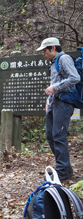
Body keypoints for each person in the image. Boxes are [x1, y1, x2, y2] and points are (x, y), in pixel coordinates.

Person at [36, 37, 80, 183]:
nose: (43, 54)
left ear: (53, 48)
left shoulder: (64, 58)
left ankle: (62, 172)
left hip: (64, 102)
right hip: (54, 102)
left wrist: (55, 87)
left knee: (59, 135)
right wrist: (49, 100)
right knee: (50, 135)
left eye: (44, 50)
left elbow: (75, 78)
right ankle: (66, 168)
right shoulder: (54, 62)